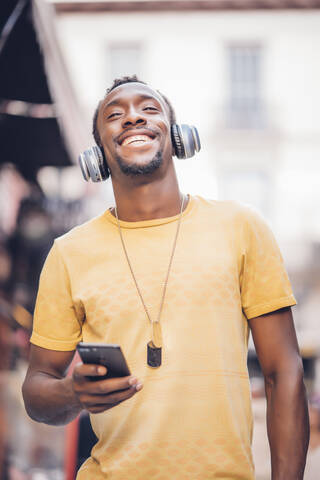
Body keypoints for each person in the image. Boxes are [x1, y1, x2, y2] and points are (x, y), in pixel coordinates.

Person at [22, 75, 309, 479]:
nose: (133, 117)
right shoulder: (69, 252)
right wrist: (72, 393)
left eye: (149, 109)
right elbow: (37, 389)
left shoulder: (241, 227)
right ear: (98, 155)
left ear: (177, 138)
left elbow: (284, 371)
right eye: (115, 115)